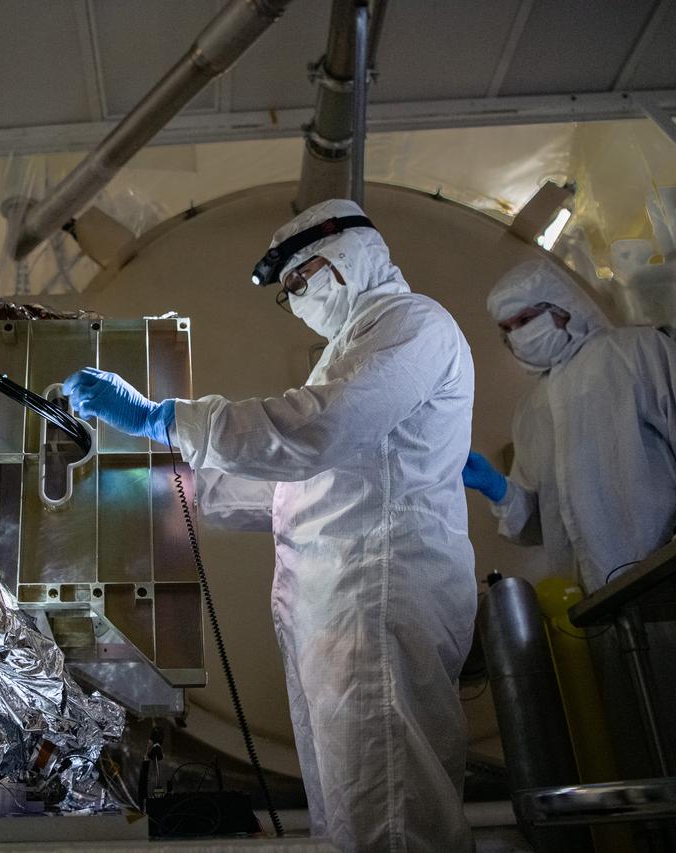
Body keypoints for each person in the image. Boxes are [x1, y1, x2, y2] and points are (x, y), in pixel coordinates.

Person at [63, 199, 477, 852]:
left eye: (297, 282)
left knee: (392, 821)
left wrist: (164, 417)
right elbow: (300, 485)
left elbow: (315, 429)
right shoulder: (348, 352)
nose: (296, 300)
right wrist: (151, 481)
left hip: (378, 601)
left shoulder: (410, 324)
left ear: (342, 256)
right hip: (339, 611)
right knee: (352, 818)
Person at [461, 258, 676, 593]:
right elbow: (543, 524)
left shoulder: (637, 351)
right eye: (507, 330)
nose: (517, 337)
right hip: (596, 601)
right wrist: (500, 489)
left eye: (524, 320)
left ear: (562, 308)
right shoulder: (531, 410)